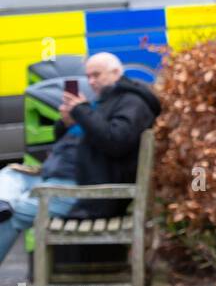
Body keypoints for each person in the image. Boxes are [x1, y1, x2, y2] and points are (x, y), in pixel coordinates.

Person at [0, 53, 160, 261]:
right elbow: (72, 141)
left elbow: (115, 141)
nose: (91, 81)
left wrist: (81, 111)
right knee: (10, 174)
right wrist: (66, 123)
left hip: (86, 191)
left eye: (96, 75)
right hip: (58, 177)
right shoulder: (102, 101)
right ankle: (4, 203)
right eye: (88, 76)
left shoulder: (132, 103)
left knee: (13, 216)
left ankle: (8, 207)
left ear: (116, 73)